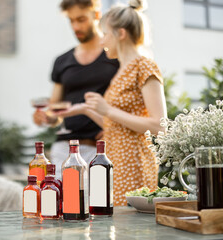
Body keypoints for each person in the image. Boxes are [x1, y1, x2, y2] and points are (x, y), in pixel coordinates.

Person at [84, 0, 167, 206]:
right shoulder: (121, 70)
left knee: (133, 232)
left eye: (105, 33)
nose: (101, 41)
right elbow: (115, 123)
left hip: (134, 163)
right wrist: (86, 110)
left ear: (121, 34)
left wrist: (108, 109)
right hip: (115, 162)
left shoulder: (144, 66)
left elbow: (160, 125)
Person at [33, 0, 119, 178]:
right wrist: (46, 117)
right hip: (64, 148)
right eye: (71, 21)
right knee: (60, 202)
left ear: (96, 15)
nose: (75, 26)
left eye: (81, 19)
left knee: (97, 205)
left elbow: (127, 101)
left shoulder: (114, 56)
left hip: (101, 149)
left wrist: (114, 127)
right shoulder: (62, 61)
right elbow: (55, 111)